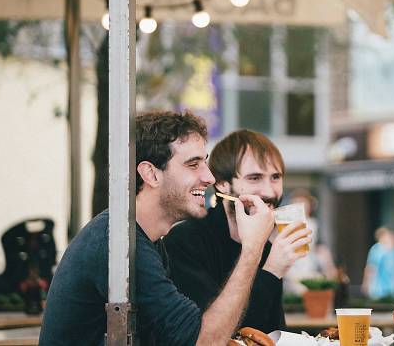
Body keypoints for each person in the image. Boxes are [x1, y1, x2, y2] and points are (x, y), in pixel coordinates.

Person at [39, 110, 275, 345]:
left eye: (205, 162)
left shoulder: (145, 240)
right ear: (151, 174)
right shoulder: (119, 244)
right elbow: (203, 342)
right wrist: (252, 248)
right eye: (193, 164)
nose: (209, 177)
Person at [162, 128, 311, 334]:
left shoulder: (268, 247)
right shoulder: (185, 242)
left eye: (275, 177)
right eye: (254, 178)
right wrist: (272, 270)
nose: (269, 191)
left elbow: (271, 332)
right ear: (223, 184)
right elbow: (221, 335)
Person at [282, 189, 338, 296]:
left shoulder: (314, 224)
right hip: (290, 268)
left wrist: (330, 268)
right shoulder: (285, 224)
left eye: (303, 204)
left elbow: (321, 248)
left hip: (308, 265)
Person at [362, 227, 394, 299]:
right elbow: (371, 268)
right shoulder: (376, 250)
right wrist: (366, 283)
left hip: (393, 287)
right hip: (378, 288)